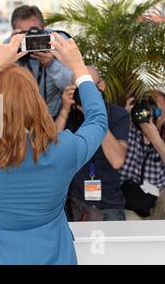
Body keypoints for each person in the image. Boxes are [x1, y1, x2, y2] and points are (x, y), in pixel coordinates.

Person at [0, 33, 108, 264]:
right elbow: (97, 120)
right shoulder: (64, 150)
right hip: (54, 256)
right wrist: (79, 69)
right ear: (36, 102)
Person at [55, 66, 130, 221]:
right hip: (75, 202)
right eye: (78, 89)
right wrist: (63, 111)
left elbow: (117, 161)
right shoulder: (69, 115)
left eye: (86, 87)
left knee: (114, 245)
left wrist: (94, 114)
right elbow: (51, 151)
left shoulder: (118, 115)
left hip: (109, 202)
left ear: (101, 87)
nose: (83, 94)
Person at [9, 5, 73, 118]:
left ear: (44, 28)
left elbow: (73, 85)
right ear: (15, 32)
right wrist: (12, 55)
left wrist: (52, 64)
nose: (31, 38)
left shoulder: (58, 41)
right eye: (25, 33)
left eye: (35, 32)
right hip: (21, 120)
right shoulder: (9, 46)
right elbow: (0, 89)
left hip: (56, 117)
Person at [120, 89, 165, 220]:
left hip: (159, 204)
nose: (150, 113)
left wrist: (156, 139)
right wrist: (124, 118)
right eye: (148, 106)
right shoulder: (126, 129)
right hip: (129, 204)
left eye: (157, 109)